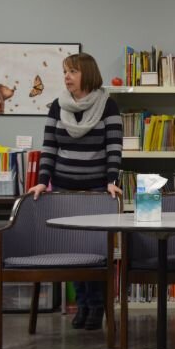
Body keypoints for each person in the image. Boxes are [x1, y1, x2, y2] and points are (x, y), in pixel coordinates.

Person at [28, 53, 123, 331]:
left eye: (72, 71)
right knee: (73, 251)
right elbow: (49, 148)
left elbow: (114, 148)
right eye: (65, 71)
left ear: (88, 74)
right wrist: (43, 180)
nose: (67, 76)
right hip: (64, 189)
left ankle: (96, 307)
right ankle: (81, 304)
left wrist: (110, 179)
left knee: (94, 251)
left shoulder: (108, 106)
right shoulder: (57, 106)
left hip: (95, 190)